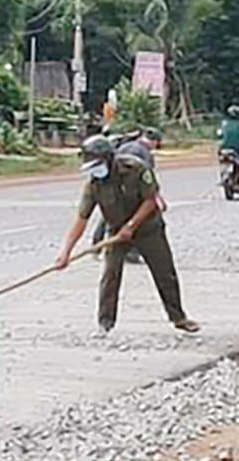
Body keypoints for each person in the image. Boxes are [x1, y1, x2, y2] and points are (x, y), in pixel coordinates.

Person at [57, 135, 200, 336]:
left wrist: (131, 226)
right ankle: (105, 324)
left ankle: (178, 317)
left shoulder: (135, 168)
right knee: (110, 274)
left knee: (164, 272)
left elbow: (151, 200)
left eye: (97, 164)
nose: (94, 169)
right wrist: (65, 252)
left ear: (108, 159)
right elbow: (81, 219)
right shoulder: (94, 185)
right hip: (116, 232)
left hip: (149, 229)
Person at [92, 128, 167, 261]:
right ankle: (131, 252)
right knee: (136, 219)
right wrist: (158, 198)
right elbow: (148, 180)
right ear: (153, 142)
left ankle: (96, 247)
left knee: (107, 216)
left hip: (112, 187)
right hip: (130, 191)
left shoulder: (125, 146)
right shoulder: (144, 153)